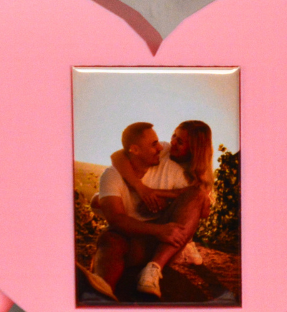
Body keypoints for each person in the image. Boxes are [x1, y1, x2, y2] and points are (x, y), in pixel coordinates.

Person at [83, 121, 213, 301]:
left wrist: (161, 196)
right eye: (173, 136)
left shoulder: (191, 174)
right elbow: (119, 154)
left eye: (180, 141)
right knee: (109, 236)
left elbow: (202, 208)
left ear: (195, 149)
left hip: (166, 228)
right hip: (144, 232)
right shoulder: (165, 153)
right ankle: (100, 293)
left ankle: (156, 266)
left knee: (194, 199)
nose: (169, 143)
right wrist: (141, 189)